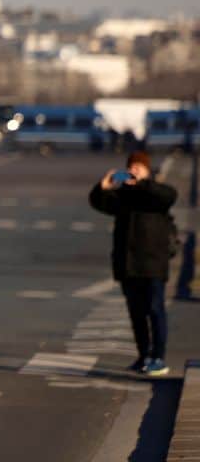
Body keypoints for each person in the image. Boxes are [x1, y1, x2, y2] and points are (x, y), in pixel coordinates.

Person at [89, 150, 177, 376]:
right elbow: (99, 203)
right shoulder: (123, 196)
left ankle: (158, 357)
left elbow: (169, 196)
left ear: (147, 170)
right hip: (128, 265)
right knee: (136, 313)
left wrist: (143, 183)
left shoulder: (156, 194)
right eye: (132, 166)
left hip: (153, 263)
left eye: (139, 166)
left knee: (155, 309)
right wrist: (104, 186)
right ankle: (143, 355)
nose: (134, 169)